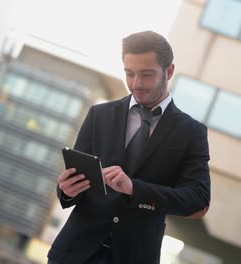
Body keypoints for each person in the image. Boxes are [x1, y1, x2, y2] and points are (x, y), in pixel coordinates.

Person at [47, 30, 211, 264]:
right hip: (74, 254)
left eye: (146, 74)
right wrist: (67, 190)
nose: (136, 84)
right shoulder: (99, 115)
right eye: (129, 73)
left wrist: (135, 188)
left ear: (169, 71)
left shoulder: (192, 133)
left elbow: (198, 199)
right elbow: (76, 184)